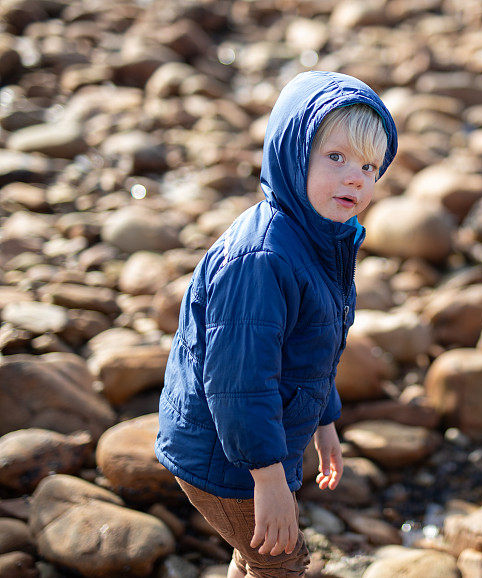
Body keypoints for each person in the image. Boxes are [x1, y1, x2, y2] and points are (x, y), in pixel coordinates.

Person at [155, 71, 398, 578]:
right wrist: (267, 481)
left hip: (255, 443)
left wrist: (325, 418)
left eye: (369, 165)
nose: (355, 176)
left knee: (256, 556)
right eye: (336, 157)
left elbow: (312, 347)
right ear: (293, 154)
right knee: (281, 563)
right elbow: (239, 384)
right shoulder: (262, 258)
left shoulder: (321, 239)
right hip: (224, 453)